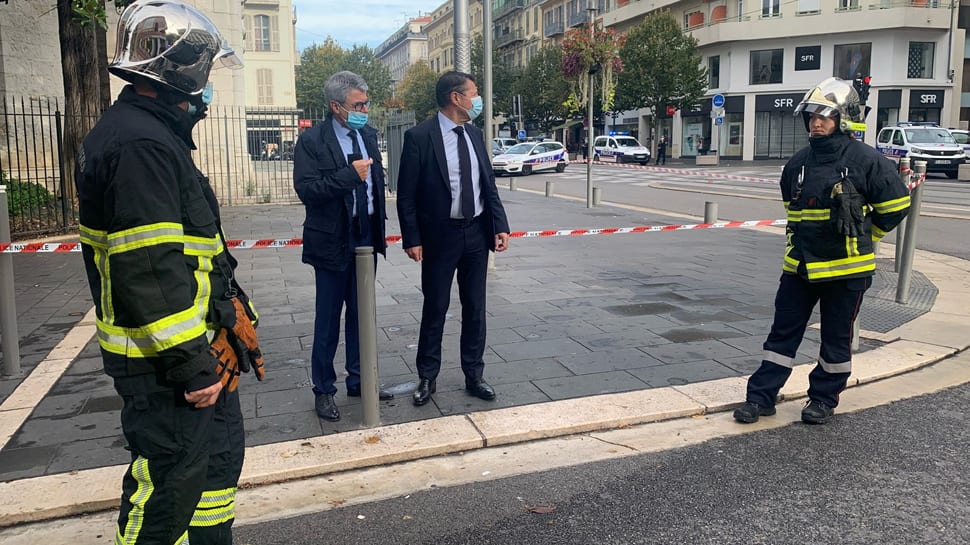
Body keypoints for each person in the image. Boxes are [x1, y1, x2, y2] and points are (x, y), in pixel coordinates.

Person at [74, 2, 264, 543]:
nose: (206, 86)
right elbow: (148, 268)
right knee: (166, 492)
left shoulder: (154, 136)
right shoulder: (142, 144)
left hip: (202, 351)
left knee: (212, 478)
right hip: (168, 367)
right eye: (203, 70)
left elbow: (198, 251)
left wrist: (232, 313)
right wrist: (189, 365)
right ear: (179, 69)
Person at [733, 77, 910, 425]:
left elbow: (897, 205)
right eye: (812, 115)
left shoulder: (867, 160)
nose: (816, 122)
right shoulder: (798, 163)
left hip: (846, 271)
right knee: (781, 335)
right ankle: (760, 398)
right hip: (800, 268)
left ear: (843, 119)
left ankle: (823, 399)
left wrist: (864, 235)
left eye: (825, 116)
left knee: (835, 339)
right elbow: (792, 210)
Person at [397, 71, 511, 407]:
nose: (478, 100)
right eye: (474, 93)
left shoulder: (474, 134)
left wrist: (499, 225)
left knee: (476, 307)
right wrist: (411, 238)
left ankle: (474, 374)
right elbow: (407, 194)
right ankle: (427, 376)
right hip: (439, 236)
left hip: (476, 233)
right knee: (436, 307)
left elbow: (487, 183)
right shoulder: (420, 137)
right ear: (455, 97)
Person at [293, 71, 393, 422]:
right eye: (358, 104)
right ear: (336, 107)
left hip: (365, 234)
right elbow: (308, 190)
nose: (365, 108)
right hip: (332, 239)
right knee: (329, 318)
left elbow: (376, 186)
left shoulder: (367, 134)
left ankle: (360, 379)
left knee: (362, 313)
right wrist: (350, 176)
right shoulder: (312, 141)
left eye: (366, 102)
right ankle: (323, 389)